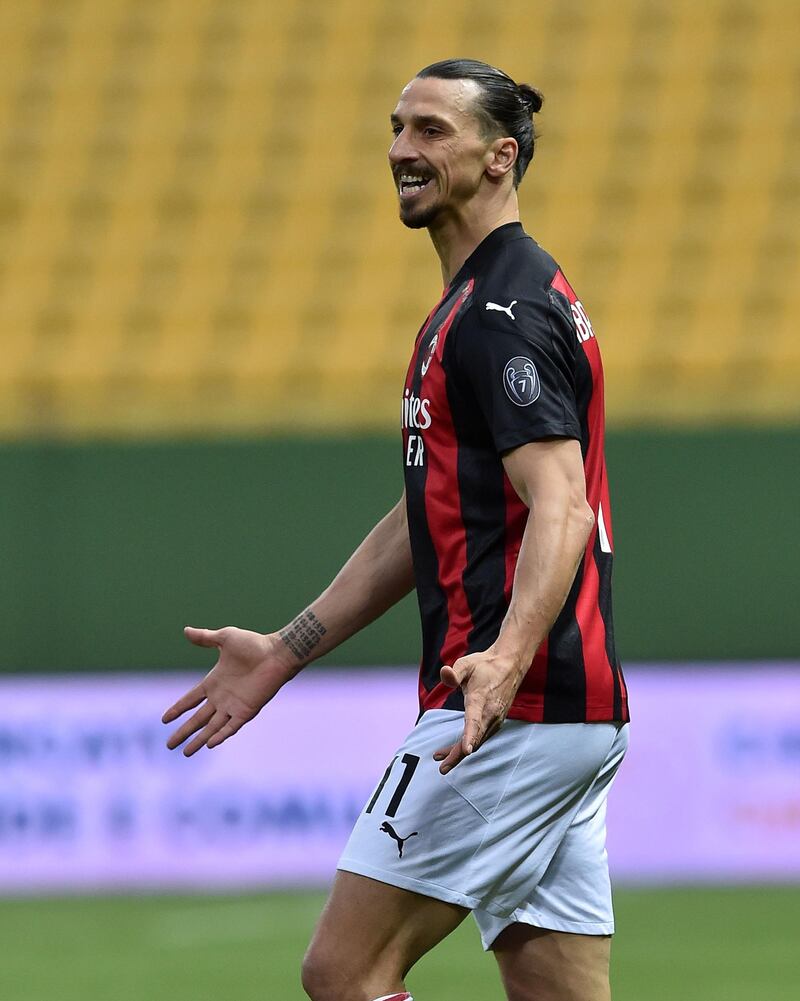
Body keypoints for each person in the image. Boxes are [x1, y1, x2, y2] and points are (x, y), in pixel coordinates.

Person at [163, 58, 630, 1001]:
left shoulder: (497, 314)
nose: (401, 152)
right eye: (397, 128)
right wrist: (288, 649)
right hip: (566, 712)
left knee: (345, 971)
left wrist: (501, 658)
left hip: (504, 711)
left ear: (500, 158)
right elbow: (434, 513)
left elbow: (564, 504)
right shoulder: (482, 302)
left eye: (430, 132)